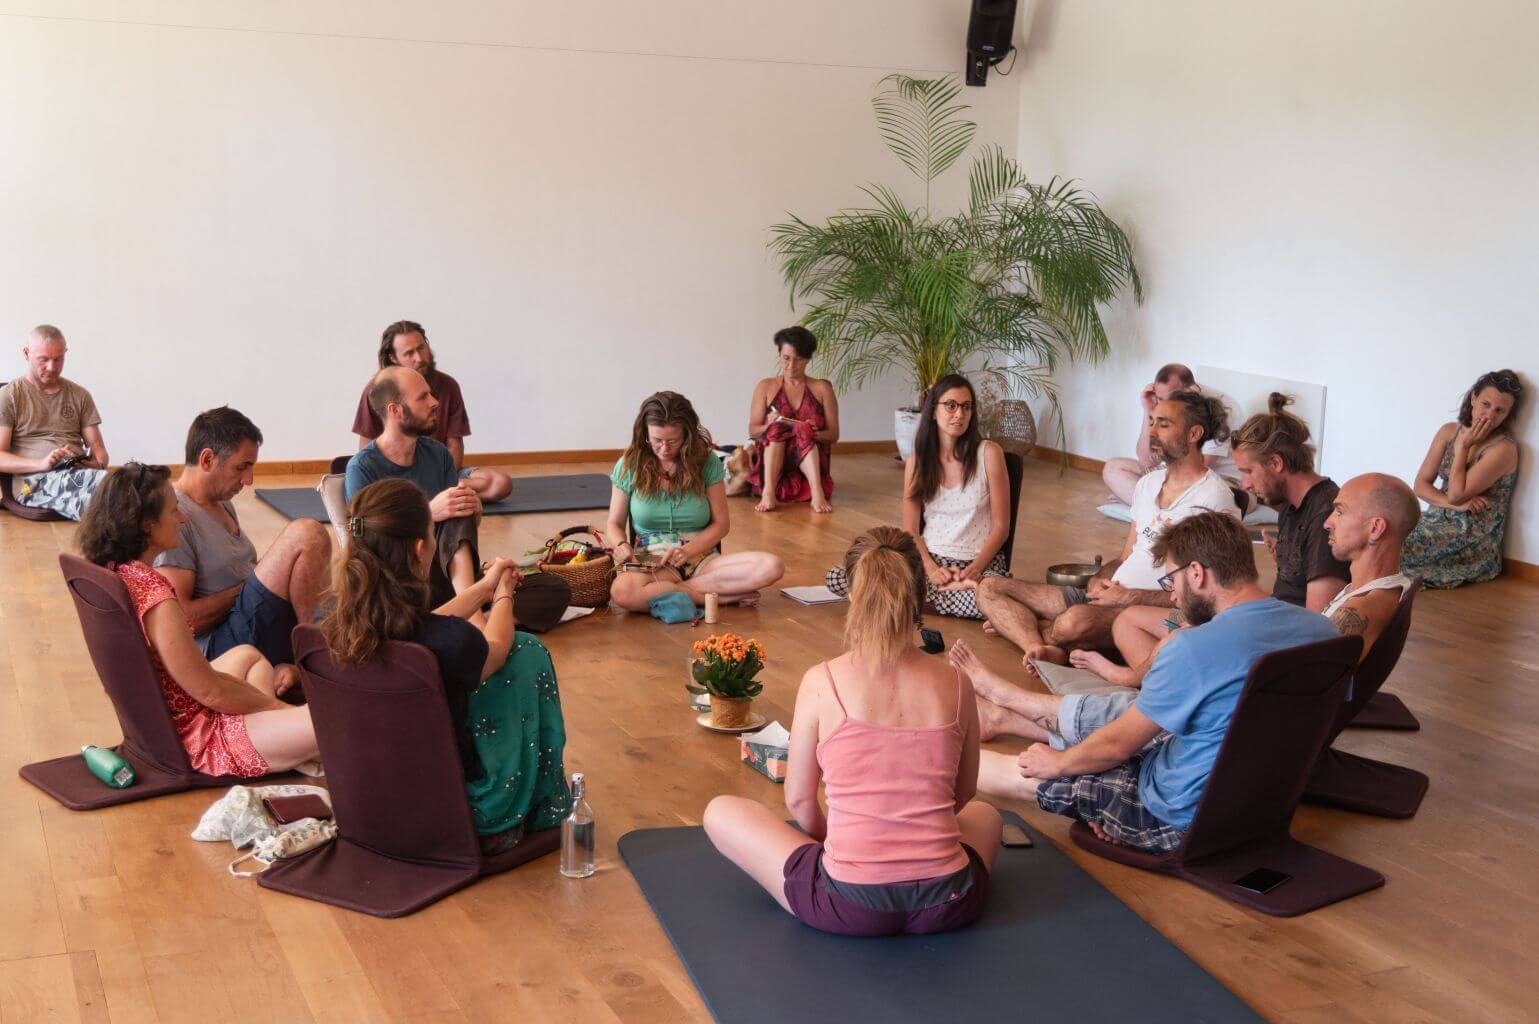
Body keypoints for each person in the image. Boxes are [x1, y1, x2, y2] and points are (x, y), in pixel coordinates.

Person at [974, 512, 1338, 852]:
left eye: (1171, 580)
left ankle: (941, 759)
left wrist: (1058, 763)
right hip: (1265, 806)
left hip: (1178, 818)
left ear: (1196, 573)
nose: (1173, 595)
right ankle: (1006, 714)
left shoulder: (1193, 647)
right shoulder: (1324, 632)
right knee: (1131, 732)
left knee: (1021, 770)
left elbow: (1118, 745)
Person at [703, 527, 1001, 936]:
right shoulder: (957, 682)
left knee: (720, 810)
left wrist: (842, 842)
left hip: (848, 904)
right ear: (919, 594)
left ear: (851, 595)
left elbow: (800, 801)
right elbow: (964, 794)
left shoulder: (821, 680)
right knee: (987, 816)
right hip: (950, 901)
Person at [318, 479, 570, 853]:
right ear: (421, 548)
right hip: (449, 809)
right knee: (526, 650)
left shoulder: (333, 625)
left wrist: (483, 588)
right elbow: (496, 648)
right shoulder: (449, 641)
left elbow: (425, 624)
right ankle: (517, 807)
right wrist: (503, 593)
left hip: (365, 800)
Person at [1071, 393, 1347, 684]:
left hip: (1271, 640)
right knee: (1130, 621)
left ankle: (1150, 683)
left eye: (1247, 471)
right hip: (1264, 624)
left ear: (1276, 463)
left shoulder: (1322, 515)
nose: (1245, 484)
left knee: (1173, 634)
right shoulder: (1292, 508)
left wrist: (1225, 621)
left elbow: (1316, 627)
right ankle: (1160, 680)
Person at [77, 463, 319, 775]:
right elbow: (210, 692)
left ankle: (280, 743)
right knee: (334, 720)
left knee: (249, 656)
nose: (182, 517)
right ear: (147, 525)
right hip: (197, 739)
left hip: (167, 714)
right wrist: (278, 709)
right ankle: (275, 740)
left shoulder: (116, 571)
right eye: (173, 510)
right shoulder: (155, 596)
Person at [976, 390, 1238, 668]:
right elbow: (1125, 557)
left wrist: (1131, 597)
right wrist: (1097, 580)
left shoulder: (1214, 498)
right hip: (1108, 595)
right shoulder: (1147, 484)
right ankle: (1037, 645)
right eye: (1151, 422)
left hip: (1154, 613)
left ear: (1194, 433)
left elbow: (1210, 595)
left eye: (1163, 425)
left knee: (1071, 623)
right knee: (989, 588)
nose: (1151, 432)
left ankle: (1027, 627)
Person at [154, 407, 331, 668]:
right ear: (207, 459)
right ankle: (319, 661)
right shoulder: (176, 517)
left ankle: (314, 654)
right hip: (221, 646)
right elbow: (181, 619)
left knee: (342, 593)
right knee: (306, 534)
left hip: (250, 622)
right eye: (241, 467)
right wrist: (243, 588)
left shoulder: (222, 503)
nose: (248, 480)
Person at [824, 374, 1011, 620]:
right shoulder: (917, 461)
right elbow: (911, 529)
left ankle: (913, 599)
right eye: (951, 405)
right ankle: (939, 597)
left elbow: (1001, 527)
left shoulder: (989, 453)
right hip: (929, 562)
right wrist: (931, 569)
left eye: (966, 407)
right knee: (838, 577)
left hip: (979, 564)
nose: (959, 414)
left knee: (988, 596)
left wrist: (974, 570)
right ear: (933, 411)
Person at [605, 391, 784, 612]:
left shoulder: (707, 461)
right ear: (644, 433)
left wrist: (688, 551)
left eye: (673, 441)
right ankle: (710, 597)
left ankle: (676, 591)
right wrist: (621, 545)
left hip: (702, 558)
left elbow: (721, 524)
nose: (664, 448)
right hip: (653, 559)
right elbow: (614, 523)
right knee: (622, 592)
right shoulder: (628, 465)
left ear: (687, 434)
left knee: (771, 566)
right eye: (657, 440)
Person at [346, 366, 483, 605]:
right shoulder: (361, 468)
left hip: (442, 573)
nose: (435, 402)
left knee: (543, 589)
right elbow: (358, 536)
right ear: (395, 410)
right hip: (395, 581)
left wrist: (473, 508)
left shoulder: (439, 454)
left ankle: (469, 606)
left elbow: (455, 530)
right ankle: (473, 611)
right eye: (423, 397)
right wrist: (427, 512)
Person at [352, 320, 513, 502]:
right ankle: (427, 496)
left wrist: (442, 476)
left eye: (421, 348)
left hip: (440, 470)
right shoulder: (376, 391)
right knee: (383, 494)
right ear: (393, 358)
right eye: (409, 353)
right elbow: (365, 448)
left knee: (500, 483)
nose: (419, 358)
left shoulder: (449, 385)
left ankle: (428, 495)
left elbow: (455, 444)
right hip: (394, 475)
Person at [1401, 369, 1523, 588]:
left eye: (1499, 411)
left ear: (1507, 415)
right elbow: (1420, 485)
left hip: (1472, 534)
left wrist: (1464, 447)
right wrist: (1454, 505)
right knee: (1390, 528)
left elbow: (1457, 495)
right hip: (1437, 516)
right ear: (1473, 398)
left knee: (1400, 545)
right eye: (1486, 404)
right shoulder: (1448, 431)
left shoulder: (1503, 449)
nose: (1489, 416)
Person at [0, 325, 110, 520]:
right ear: (26, 353)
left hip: (77, 475)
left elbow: (99, 450)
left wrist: (95, 464)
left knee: (128, 486)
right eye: (44, 359)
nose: (52, 367)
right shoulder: (9, 396)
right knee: (110, 497)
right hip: (34, 483)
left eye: (58, 359)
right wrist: (42, 464)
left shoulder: (80, 395)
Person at [1101, 363, 1241, 505]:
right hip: (1175, 472)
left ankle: (1142, 502)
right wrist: (1148, 409)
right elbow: (1147, 460)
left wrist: (1154, 482)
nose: (1163, 404)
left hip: (1214, 479)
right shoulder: (1164, 405)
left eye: (1170, 398)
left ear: (1191, 390)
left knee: (1206, 496)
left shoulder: (1220, 408)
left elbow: (1199, 466)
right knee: (1113, 468)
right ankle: (1149, 504)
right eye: (1160, 398)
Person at [747, 326, 840, 514]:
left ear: (807, 359)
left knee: (803, 429)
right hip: (774, 462)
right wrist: (769, 425)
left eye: (798, 360)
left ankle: (817, 491)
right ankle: (768, 492)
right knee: (776, 429)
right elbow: (753, 431)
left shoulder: (822, 389)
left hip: (811, 463)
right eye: (786, 358)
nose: (791, 365)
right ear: (779, 355)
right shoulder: (765, 386)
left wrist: (813, 432)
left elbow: (833, 434)